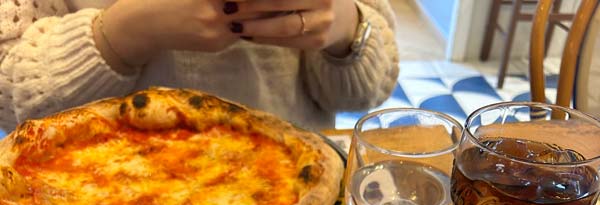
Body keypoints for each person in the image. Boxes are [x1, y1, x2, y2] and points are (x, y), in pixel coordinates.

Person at [0, 0, 399, 132]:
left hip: (290, 189)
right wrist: (124, 32)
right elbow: (9, 97)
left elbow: (366, 92)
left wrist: (345, 27)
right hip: (84, 195)